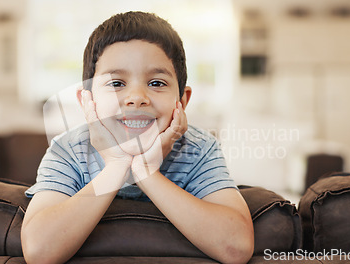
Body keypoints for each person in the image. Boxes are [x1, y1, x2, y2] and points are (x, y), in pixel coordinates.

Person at [21, 11, 254, 264]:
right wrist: (117, 166)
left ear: (182, 101)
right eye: (116, 83)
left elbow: (237, 247)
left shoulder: (199, 149)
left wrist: (146, 173)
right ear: (87, 100)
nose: (136, 97)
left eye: (156, 83)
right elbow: (39, 251)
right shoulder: (67, 150)